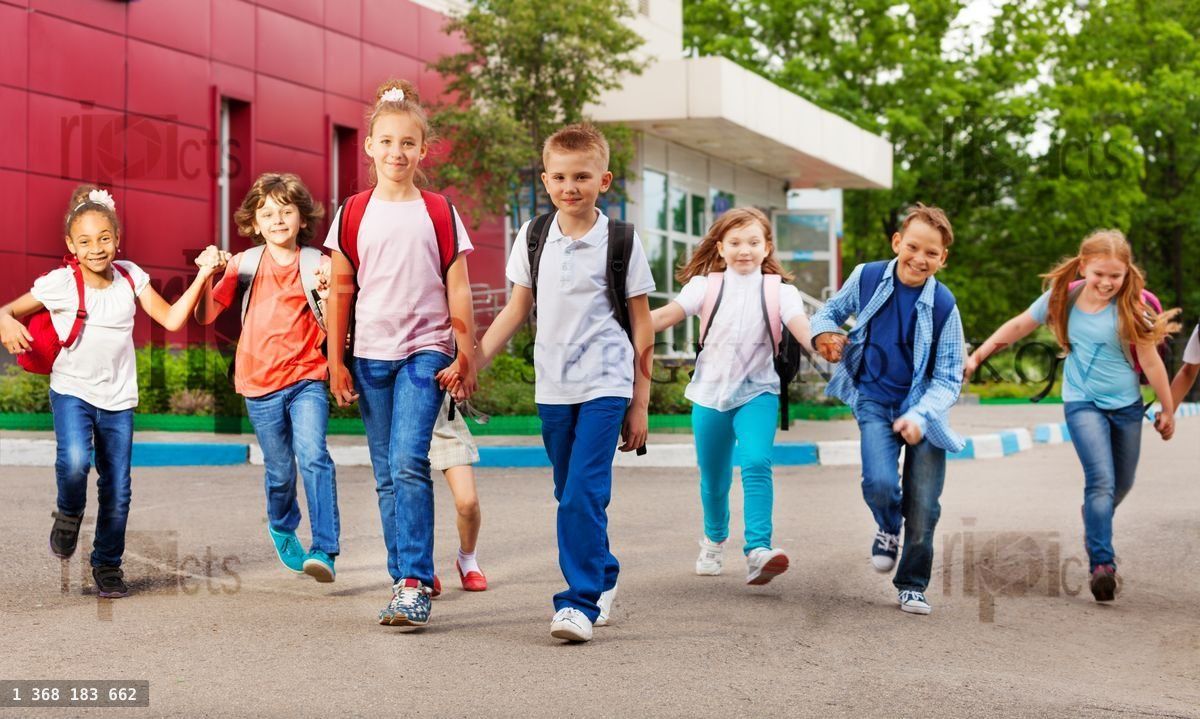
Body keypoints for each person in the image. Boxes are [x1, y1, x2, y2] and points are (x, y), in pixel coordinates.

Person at [468, 123, 654, 643]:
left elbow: (641, 323)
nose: (570, 186)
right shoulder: (533, 236)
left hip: (607, 382)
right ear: (545, 180)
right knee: (569, 492)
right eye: (559, 177)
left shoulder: (621, 240)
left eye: (582, 176)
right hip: (553, 387)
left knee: (581, 493)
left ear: (605, 180)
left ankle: (578, 602)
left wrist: (640, 402)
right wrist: (473, 363)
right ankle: (603, 571)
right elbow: (515, 310)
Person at [0, 186, 226, 598]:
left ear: (117, 238)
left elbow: (173, 319)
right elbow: (10, 309)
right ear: (71, 245)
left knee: (117, 487)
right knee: (72, 463)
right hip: (72, 391)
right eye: (84, 241)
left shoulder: (130, 276)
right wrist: (6, 320)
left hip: (119, 401)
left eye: (104, 238)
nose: (96, 248)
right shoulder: (60, 284)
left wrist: (204, 276)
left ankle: (107, 565)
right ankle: (68, 515)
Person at [323, 79, 480, 627]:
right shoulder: (352, 213)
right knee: (387, 472)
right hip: (369, 356)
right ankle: (404, 576)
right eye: (386, 141)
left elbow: (457, 287)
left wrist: (466, 353)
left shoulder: (438, 211)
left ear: (423, 149)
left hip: (425, 351)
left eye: (407, 143)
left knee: (410, 461)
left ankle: (413, 580)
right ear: (369, 145)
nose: (397, 152)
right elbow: (340, 289)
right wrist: (335, 359)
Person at [965, 229, 1179, 602]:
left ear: (1127, 272)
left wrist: (1168, 409)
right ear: (1083, 266)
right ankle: (1102, 566)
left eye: (1116, 275)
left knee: (1121, 484)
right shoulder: (1065, 297)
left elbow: (1150, 360)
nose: (1108, 282)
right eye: (1099, 274)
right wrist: (978, 357)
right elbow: (1018, 326)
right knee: (1101, 480)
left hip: (1127, 406)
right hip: (1082, 402)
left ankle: (1093, 518)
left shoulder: (1133, 307)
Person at [810, 203, 965, 616]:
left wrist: (919, 416)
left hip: (924, 412)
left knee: (925, 503)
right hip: (874, 399)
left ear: (942, 258)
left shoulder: (945, 305)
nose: (920, 258)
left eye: (931, 253)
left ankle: (912, 583)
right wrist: (824, 332)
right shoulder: (868, 276)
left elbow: (949, 378)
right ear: (898, 242)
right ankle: (887, 527)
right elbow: (829, 311)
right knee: (878, 482)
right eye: (913, 247)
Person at [649, 207, 812, 585]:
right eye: (735, 243)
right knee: (714, 478)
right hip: (709, 395)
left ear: (767, 247)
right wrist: (624, 324)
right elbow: (663, 317)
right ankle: (713, 539)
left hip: (759, 392)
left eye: (754, 242)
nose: (745, 250)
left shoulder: (781, 292)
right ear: (720, 248)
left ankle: (758, 550)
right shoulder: (704, 287)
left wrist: (822, 341)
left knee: (756, 463)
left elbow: (799, 326)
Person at [195, 172, 340, 583]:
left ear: (301, 217)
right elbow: (207, 314)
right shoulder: (244, 264)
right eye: (267, 213)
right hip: (259, 382)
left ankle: (325, 549)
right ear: (254, 222)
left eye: (286, 211)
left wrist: (330, 296)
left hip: (308, 377)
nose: (277, 220)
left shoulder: (319, 265)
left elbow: (335, 328)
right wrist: (207, 274)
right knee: (279, 470)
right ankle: (282, 523)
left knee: (313, 456)